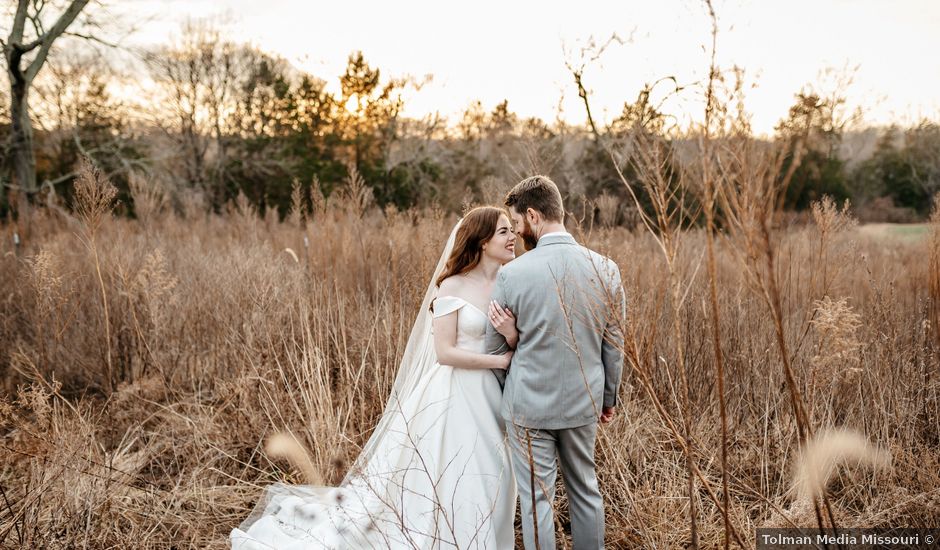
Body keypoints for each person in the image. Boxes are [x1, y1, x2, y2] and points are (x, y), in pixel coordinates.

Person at [231, 206, 518, 549]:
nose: (513, 236)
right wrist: (497, 361)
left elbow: (515, 340)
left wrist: (511, 336)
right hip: (455, 394)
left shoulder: (509, 282)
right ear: (483, 241)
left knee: (492, 473)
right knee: (456, 472)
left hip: (493, 396)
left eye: (511, 230)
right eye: (504, 231)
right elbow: (444, 353)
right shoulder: (453, 286)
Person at [485, 175, 625, 550]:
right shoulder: (606, 270)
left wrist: (508, 394)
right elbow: (614, 345)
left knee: (536, 500)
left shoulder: (512, 274)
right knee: (585, 490)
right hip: (584, 401)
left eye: (517, 224)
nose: (517, 232)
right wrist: (608, 398)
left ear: (533, 215)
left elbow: (494, 349)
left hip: (528, 406)